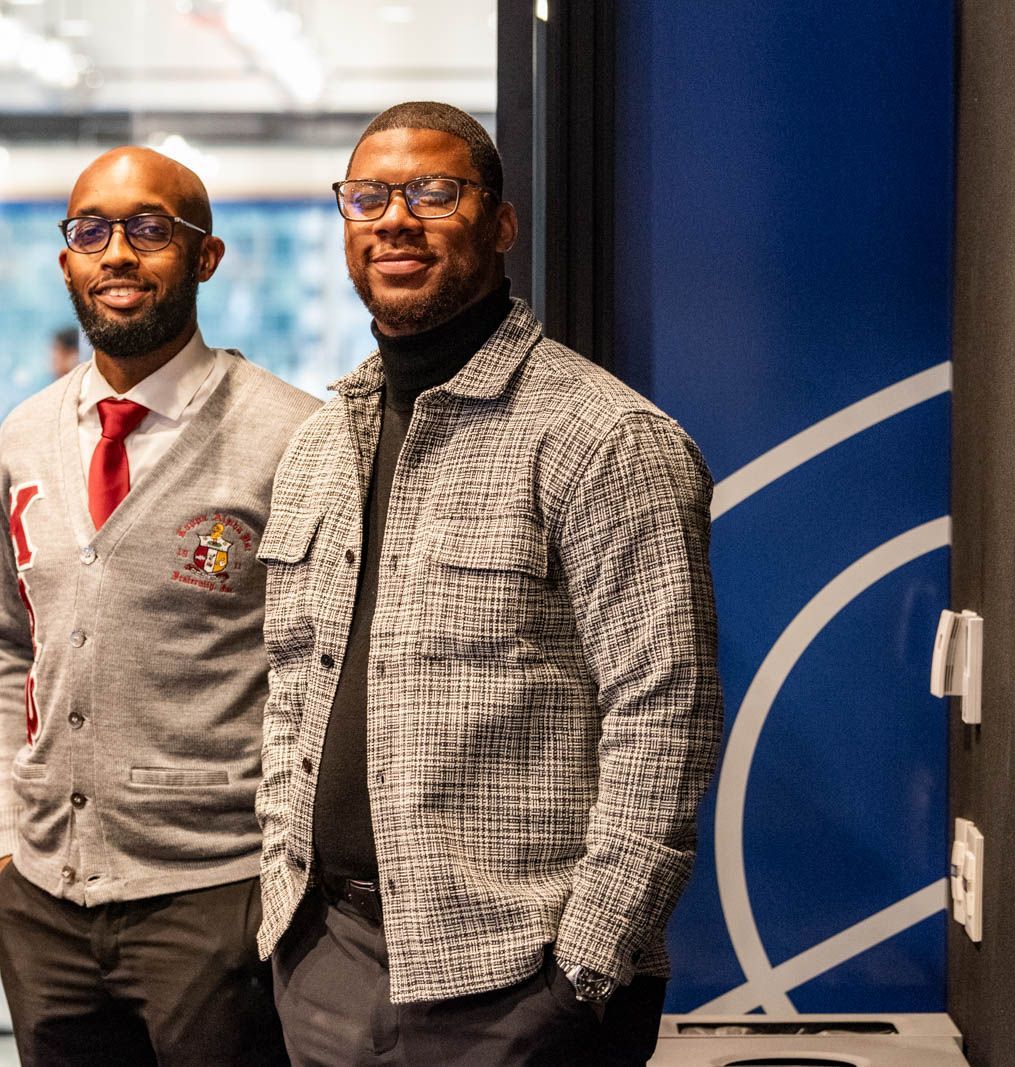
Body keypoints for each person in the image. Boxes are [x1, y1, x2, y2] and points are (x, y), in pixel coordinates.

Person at [256, 102, 723, 1066]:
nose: (396, 220)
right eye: (368, 197)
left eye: (435, 193)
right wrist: (282, 912)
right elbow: (290, 693)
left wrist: (582, 969)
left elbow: (665, 718)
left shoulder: (603, 437)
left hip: (517, 981)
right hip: (325, 963)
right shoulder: (317, 445)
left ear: (501, 224)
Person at [0, 146, 318, 1066]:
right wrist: (5, 838)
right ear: (66, 262)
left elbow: (320, 672)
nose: (117, 252)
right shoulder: (23, 437)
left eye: (150, 228)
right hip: (43, 904)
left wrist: (276, 877)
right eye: (91, 231)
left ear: (205, 256)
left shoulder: (294, 437)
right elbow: (7, 644)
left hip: (216, 902)